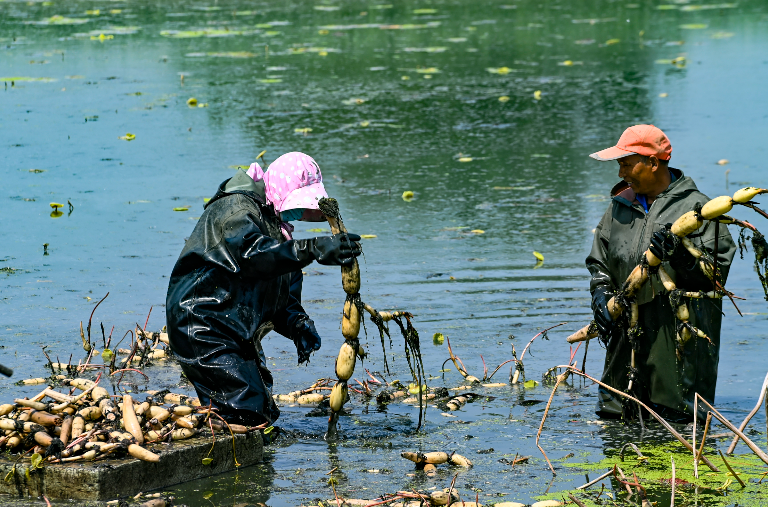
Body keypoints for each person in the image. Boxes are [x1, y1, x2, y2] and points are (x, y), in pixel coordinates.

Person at [166, 152, 361, 426]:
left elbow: (281, 297)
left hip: (235, 329)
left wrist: (297, 324)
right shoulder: (236, 211)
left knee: (263, 405)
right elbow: (254, 257)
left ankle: (249, 452)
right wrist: (314, 248)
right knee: (245, 408)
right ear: (281, 190)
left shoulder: (278, 232)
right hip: (201, 325)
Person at [586, 125, 735, 422]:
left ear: (653, 163)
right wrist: (601, 294)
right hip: (624, 343)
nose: (621, 174)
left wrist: (681, 256)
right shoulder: (619, 206)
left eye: (626, 164)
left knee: (677, 427)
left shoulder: (698, 209)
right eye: (620, 165)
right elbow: (599, 263)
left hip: (678, 348)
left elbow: (715, 277)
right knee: (614, 421)